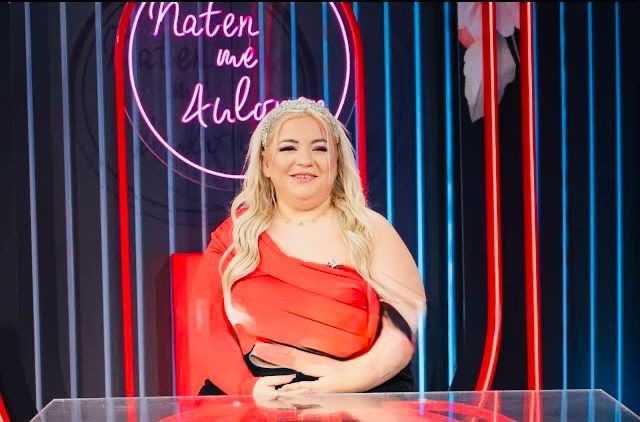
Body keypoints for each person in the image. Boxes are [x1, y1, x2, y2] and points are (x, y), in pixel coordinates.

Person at [189, 97, 426, 398]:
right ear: (265, 163)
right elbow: (205, 324)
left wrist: (346, 381)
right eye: (288, 148)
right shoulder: (236, 234)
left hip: (358, 396)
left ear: (336, 162)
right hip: (256, 399)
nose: (305, 160)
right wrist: (249, 388)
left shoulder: (370, 229)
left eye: (320, 148)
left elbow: (404, 328)